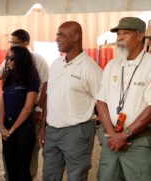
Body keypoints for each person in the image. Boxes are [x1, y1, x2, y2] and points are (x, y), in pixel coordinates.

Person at [39, 21, 102, 180]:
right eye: (57, 35)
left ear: (75, 37)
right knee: (49, 176)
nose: (56, 39)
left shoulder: (90, 68)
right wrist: (42, 127)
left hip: (77, 131)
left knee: (76, 176)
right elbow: (49, 97)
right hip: (52, 131)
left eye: (61, 35)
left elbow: (102, 102)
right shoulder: (56, 64)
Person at [96, 17, 151, 180]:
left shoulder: (149, 65)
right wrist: (113, 134)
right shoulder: (112, 65)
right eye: (118, 34)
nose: (119, 37)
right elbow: (101, 101)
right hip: (111, 141)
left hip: (138, 142)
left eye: (125, 33)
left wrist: (125, 134)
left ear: (140, 36)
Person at [0, 29, 49, 180]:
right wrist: (4, 127)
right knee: (10, 160)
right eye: (10, 42)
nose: (11, 45)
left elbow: (46, 85)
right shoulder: (9, 72)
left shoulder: (37, 60)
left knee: (27, 159)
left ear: (25, 43)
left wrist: (39, 109)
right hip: (10, 122)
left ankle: (30, 176)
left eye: (15, 42)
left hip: (29, 116)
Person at [0, 46, 40, 181]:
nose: (8, 61)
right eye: (7, 58)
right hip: (7, 127)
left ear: (21, 60)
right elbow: (2, 104)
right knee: (10, 168)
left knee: (22, 169)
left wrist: (11, 130)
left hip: (23, 128)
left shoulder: (31, 79)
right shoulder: (8, 78)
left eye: (12, 58)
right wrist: (2, 127)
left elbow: (28, 108)